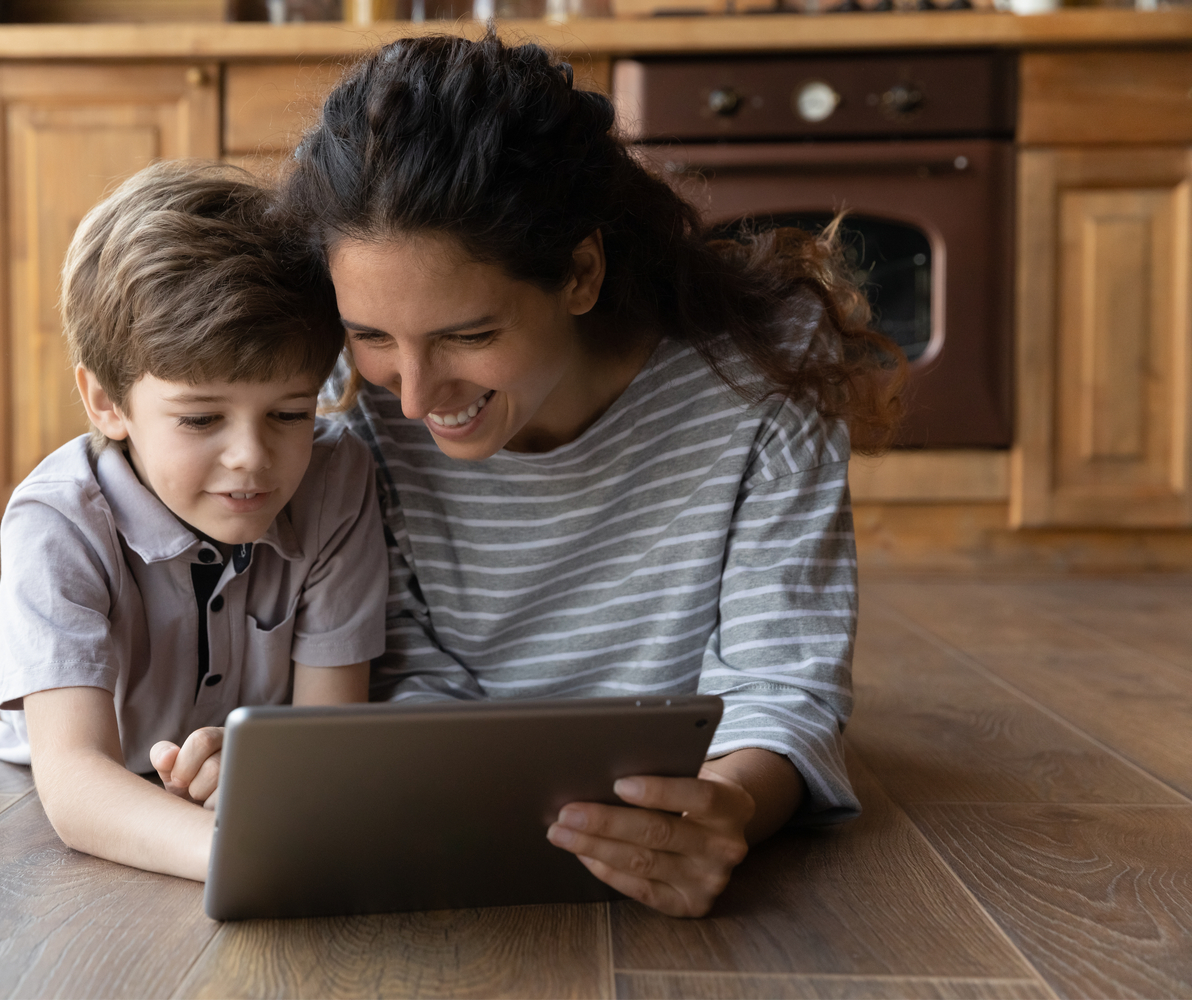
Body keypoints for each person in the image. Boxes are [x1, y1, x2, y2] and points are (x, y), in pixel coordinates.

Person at [285, 32, 905, 918]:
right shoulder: (353, 397)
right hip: (450, 831)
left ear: (579, 271)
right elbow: (400, 659)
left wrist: (729, 807)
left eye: (468, 335)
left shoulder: (761, 375)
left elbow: (783, 686)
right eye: (374, 334)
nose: (416, 396)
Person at [0, 161, 388, 881]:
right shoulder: (55, 523)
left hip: (238, 779)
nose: (252, 458)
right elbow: (77, 783)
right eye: (201, 418)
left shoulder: (336, 481)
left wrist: (273, 771)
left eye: (290, 413)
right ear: (107, 402)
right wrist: (245, 849)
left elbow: (330, 735)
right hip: (99, 793)